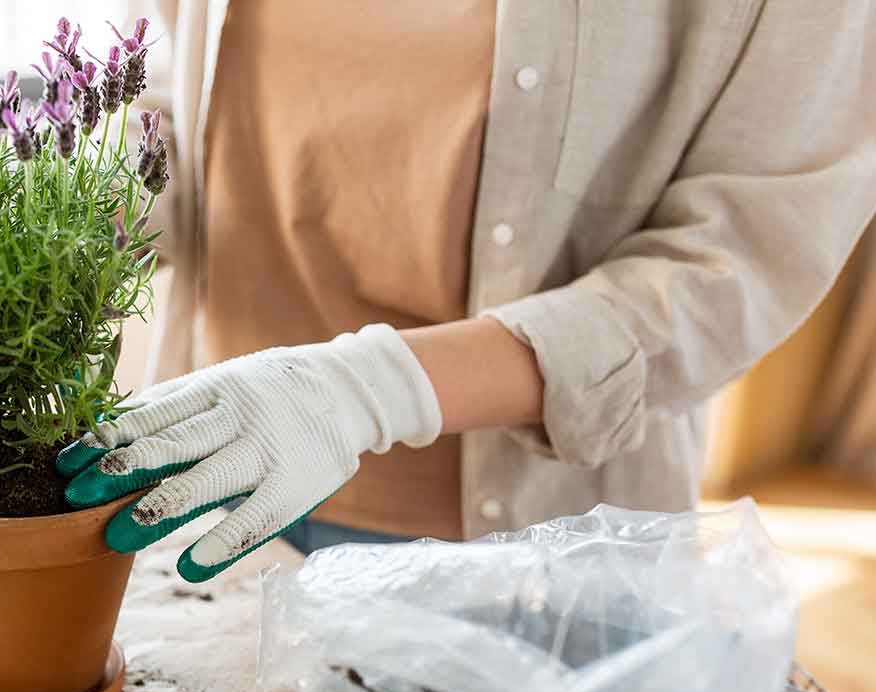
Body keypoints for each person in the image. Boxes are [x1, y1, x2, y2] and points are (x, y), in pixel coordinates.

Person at [56, 1, 876, 582]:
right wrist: (64, 221)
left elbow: (734, 263)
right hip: (217, 469)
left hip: (515, 563)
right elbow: (180, 76)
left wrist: (372, 390)